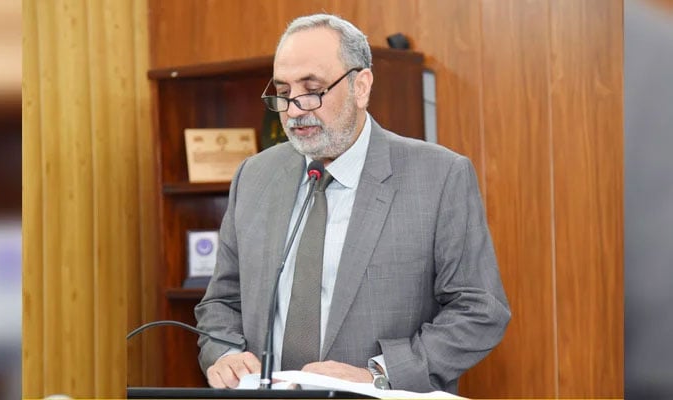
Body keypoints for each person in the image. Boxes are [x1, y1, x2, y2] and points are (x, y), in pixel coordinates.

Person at [194, 13, 510, 394]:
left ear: (361, 87)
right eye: (283, 91)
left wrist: (378, 373)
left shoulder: (439, 176)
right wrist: (224, 353)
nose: (295, 109)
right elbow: (221, 304)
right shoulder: (255, 176)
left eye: (312, 89)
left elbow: (479, 310)